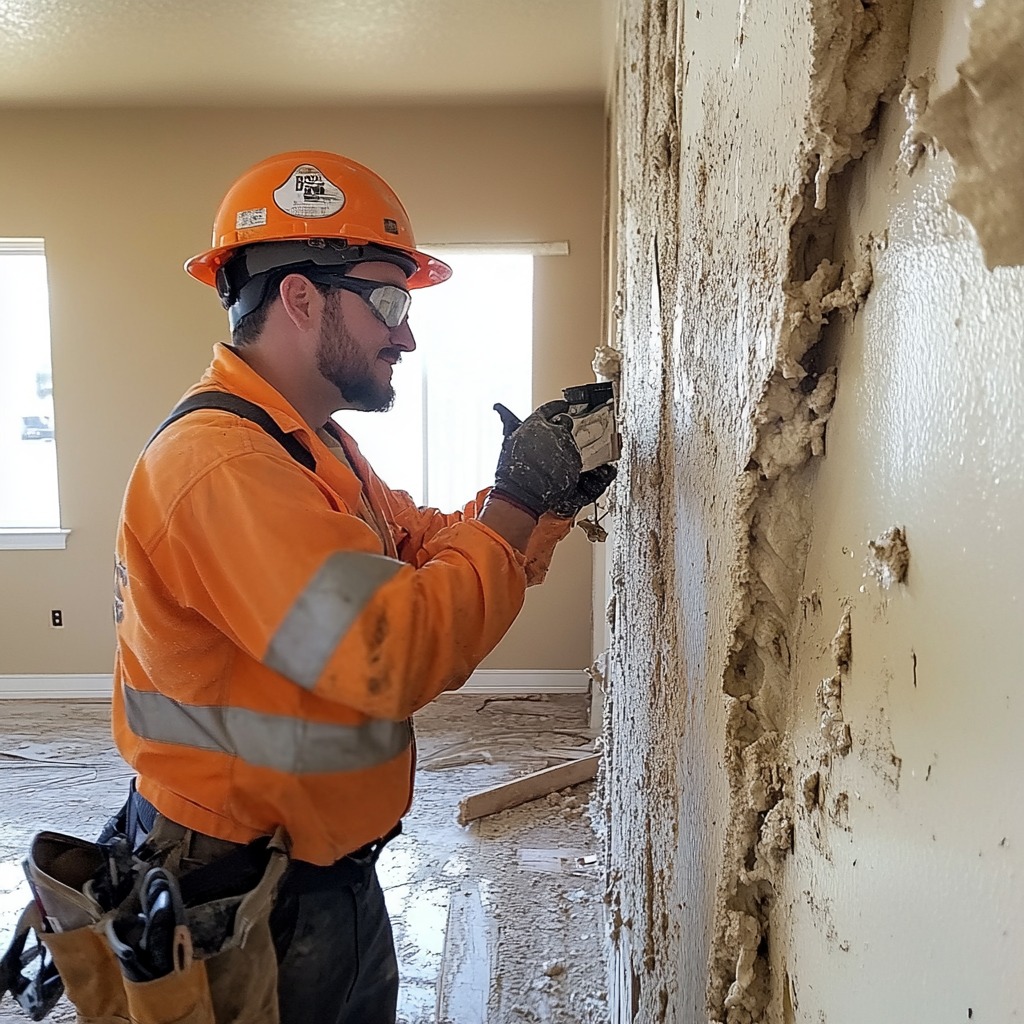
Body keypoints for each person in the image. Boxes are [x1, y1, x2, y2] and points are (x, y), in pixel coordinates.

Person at [109, 150, 615, 1024]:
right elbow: (391, 650)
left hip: (316, 869)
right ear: (300, 297)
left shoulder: (308, 443)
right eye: (390, 301)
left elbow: (415, 545)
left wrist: (535, 503)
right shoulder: (222, 464)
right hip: (238, 890)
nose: (407, 334)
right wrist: (518, 505)